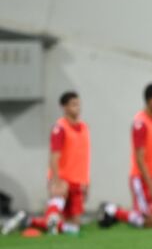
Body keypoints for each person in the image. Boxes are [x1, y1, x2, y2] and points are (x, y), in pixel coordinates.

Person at [2, 92, 90, 235]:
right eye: (73, 104)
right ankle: (32, 221)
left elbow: (84, 157)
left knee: (74, 226)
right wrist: (56, 181)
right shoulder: (59, 128)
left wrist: (86, 181)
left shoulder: (84, 127)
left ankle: (28, 220)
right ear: (64, 107)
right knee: (55, 221)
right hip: (63, 180)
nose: (78, 108)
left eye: (78, 104)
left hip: (78, 181)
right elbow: (54, 157)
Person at [98, 84, 152, 229]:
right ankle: (113, 210)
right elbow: (139, 158)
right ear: (151, 100)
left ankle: (114, 212)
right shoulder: (140, 123)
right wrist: (150, 184)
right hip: (142, 178)